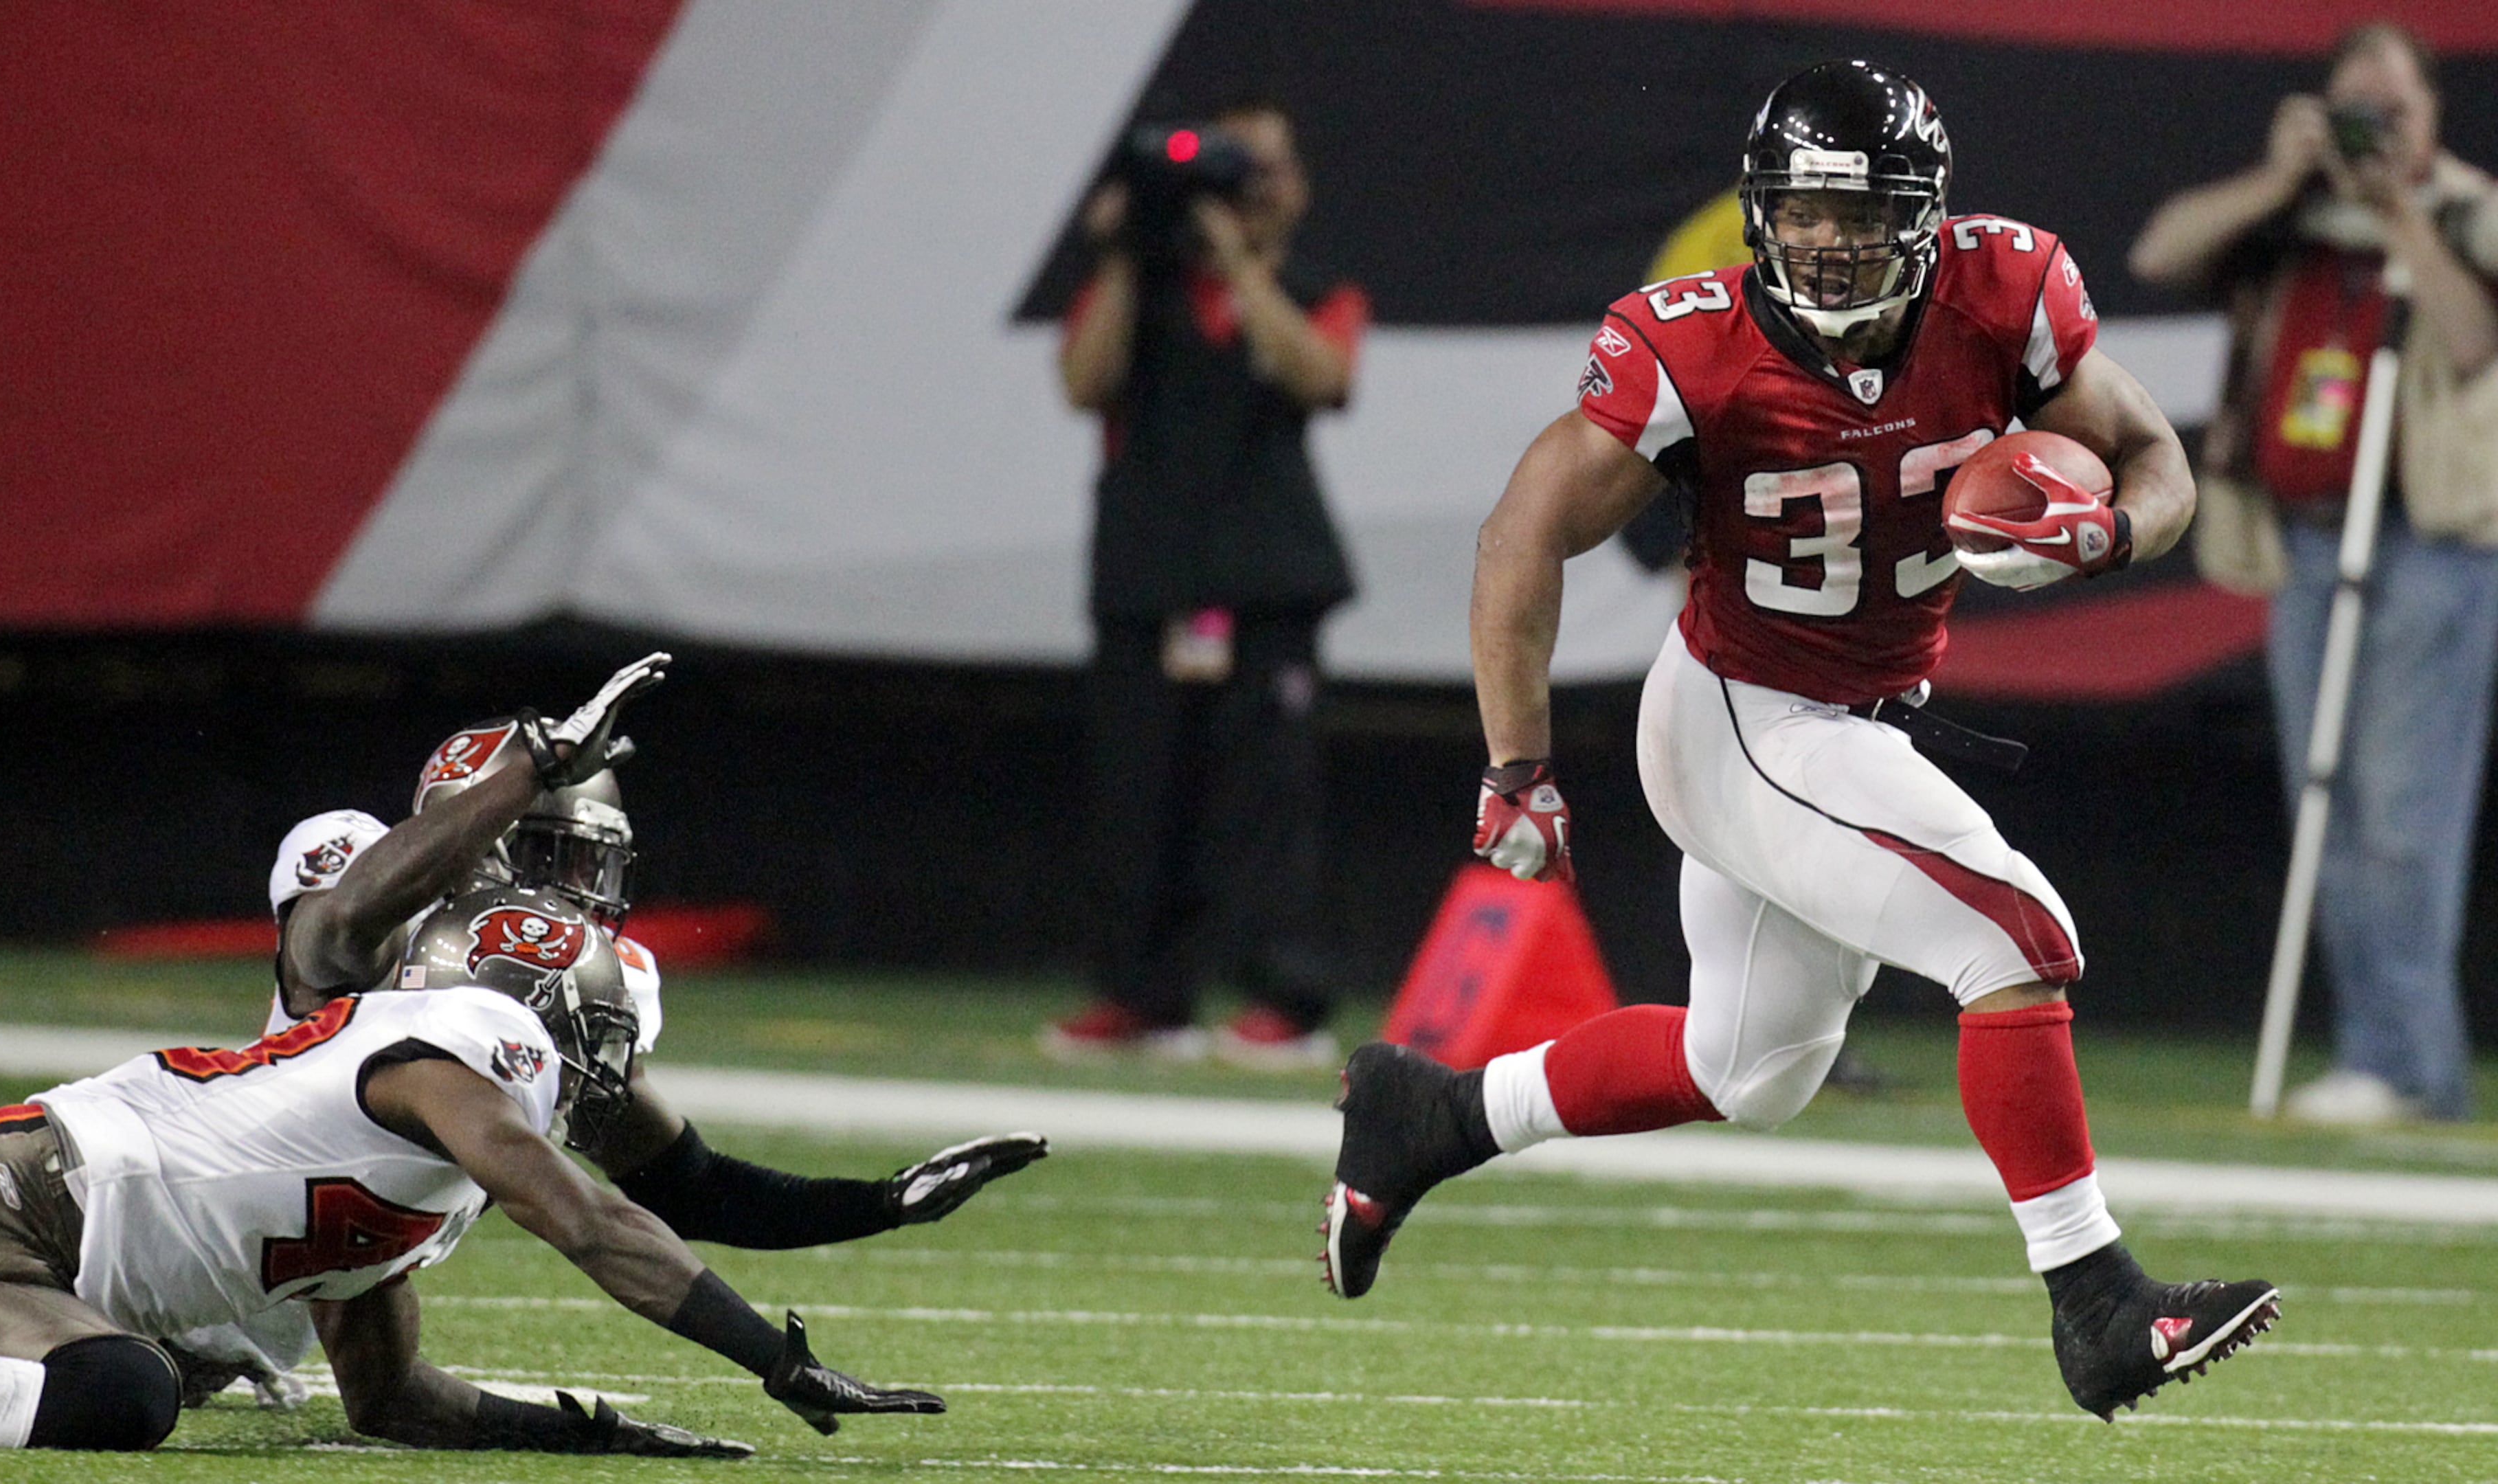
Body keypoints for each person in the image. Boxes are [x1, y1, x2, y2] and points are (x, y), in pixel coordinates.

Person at [1316, 60, 2281, 1423]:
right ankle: (2099, 1303)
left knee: (1751, 1070)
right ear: (1762, 208)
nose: (1829, 241)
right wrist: (1516, 766)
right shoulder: (1694, 344)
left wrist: (2112, 534)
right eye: (1805, 210)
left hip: (1853, 723)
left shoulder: (2003, 295)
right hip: (1744, 715)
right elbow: (1521, 533)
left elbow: (2152, 457)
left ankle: (1431, 1116)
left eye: (1863, 212)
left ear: (1926, 216)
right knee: (2013, 936)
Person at [162, 653, 1046, 1404]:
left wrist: (881, 1204)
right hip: (189, 1228)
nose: (579, 891)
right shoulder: (365, 913)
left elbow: (686, 1188)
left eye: (592, 861)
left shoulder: (575, 982)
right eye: (554, 857)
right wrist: (530, 770)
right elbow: (347, 917)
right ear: (476, 841)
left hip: (319, 1278)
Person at [0, 885, 943, 1453]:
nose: (620, 1076)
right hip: (17, 1185)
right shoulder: (467, 1048)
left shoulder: (428, 1179)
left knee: (127, 1393)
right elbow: (591, 1222)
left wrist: (592, 1433)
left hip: (45, 1292)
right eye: (614, 1039)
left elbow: (387, 1400)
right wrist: (771, 1358)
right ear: (556, 1014)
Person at [2129, 21, 2498, 1125]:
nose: (2373, 130)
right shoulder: (2289, 215)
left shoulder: (2469, 209)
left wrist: (2400, 211)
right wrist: (2283, 175)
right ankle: (2384, 1060)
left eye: (2394, 110)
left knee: (2403, 815)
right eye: (2354, 110)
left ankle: (2408, 1065)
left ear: (2432, 115)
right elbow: (2159, 253)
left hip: (2432, 544)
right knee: (2326, 802)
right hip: (2305, 536)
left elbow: (2472, 342)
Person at [1045, 99, 1368, 1070]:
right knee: (1138, 794)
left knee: (1268, 801)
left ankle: (1284, 997)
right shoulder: (1141, 286)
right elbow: (1082, 384)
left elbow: (1323, 378)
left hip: (1266, 577)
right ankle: (1142, 995)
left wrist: (1239, 265)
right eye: (1235, 168)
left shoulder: (1316, 289)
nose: (1249, 187)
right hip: (1150, 573)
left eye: (1267, 169)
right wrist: (1122, 250)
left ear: (1297, 189)